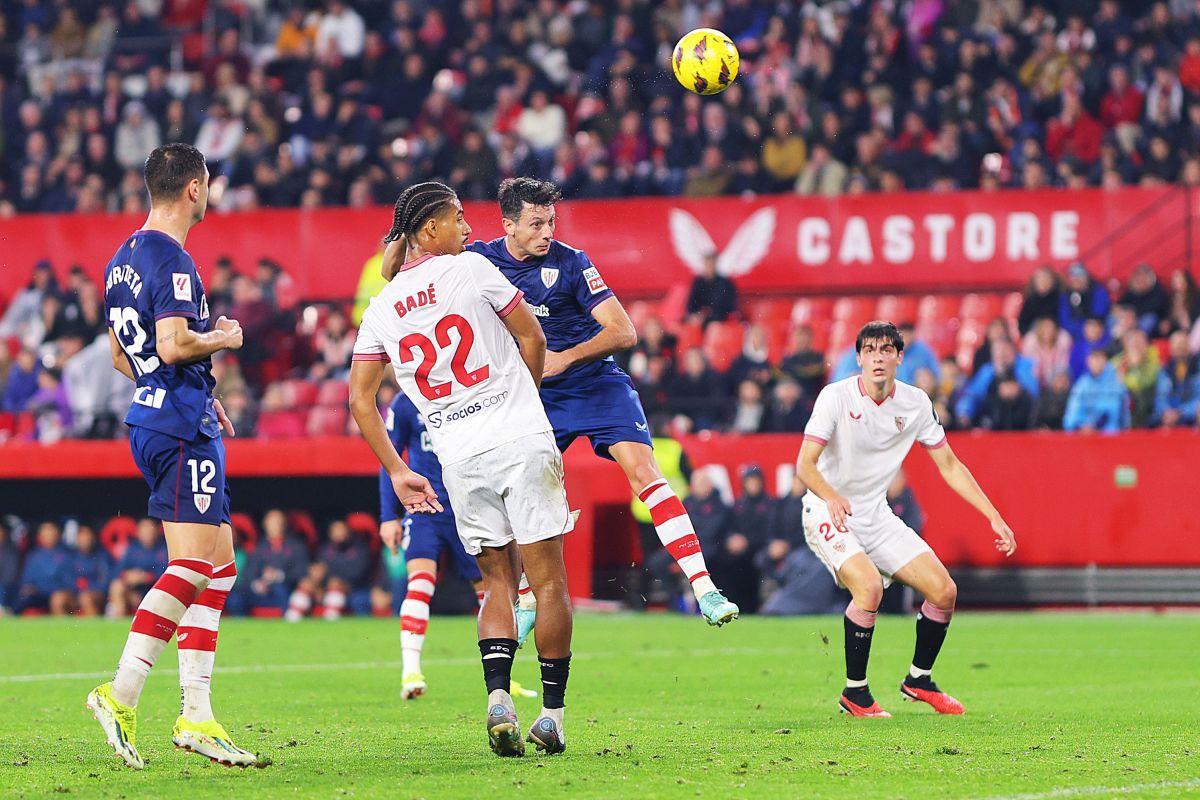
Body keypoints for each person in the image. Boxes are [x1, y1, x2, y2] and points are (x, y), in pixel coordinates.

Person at [351, 181, 574, 756]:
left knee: (497, 583)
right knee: (546, 582)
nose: (469, 229)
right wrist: (520, 400)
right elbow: (533, 334)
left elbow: (359, 400)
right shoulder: (473, 270)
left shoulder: (380, 309)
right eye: (457, 218)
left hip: (457, 457)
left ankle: (498, 698)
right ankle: (550, 716)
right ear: (430, 231)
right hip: (518, 437)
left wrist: (398, 470)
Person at [466, 178, 738, 627]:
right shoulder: (479, 261)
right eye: (536, 224)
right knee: (523, 490)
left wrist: (564, 358)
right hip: (535, 394)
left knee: (644, 471)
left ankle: (704, 588)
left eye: (550, 221)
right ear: (508, 225)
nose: (547, 232)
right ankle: (529, 598)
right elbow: (408, 271)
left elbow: (623, 331)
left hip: (595, 384)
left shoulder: (572, 263)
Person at [89, 143, 254, 770]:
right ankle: (121, 692)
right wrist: (224, 339)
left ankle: (197, 715)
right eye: (208, 182)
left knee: (220, 565)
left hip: (166, 417)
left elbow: (119, 357)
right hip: (177, 428)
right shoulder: (173, 258)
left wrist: (193, 394)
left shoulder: (120, 260)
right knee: (191, 567)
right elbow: (175, 341)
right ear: (193, 188)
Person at [797, 320, 1017, 718]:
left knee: (944, 591)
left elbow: (949, 465)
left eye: (886, 350)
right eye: (870, 350)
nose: (878, 358)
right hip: (824, 508)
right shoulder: (835, 397)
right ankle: (855, 693)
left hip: (875, 513)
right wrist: (831, 497)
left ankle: (918, 680)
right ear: (859, 358)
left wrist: (993, 515)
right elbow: (804, 466)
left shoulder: (915, 403)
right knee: (868, 588)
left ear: (901, 357)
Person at [379, 391, 488, 700]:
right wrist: (389, 516)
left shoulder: (470, 392)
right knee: (420, 582)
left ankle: (504, 677)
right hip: (424, 507)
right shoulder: (405, 402)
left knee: (490, 592)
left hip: (468, 506)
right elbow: (390, 460)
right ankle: (410, 672)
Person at [685, 250, 738, 327]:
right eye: (707, 263)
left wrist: (709, 316)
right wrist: (696, 315)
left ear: (716, 264)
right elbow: (691, 303)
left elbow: (728, 307)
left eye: (711, 263)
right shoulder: (697, 282)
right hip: (700, 318)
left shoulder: (725, 283)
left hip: (719, 318)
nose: (709, 266)